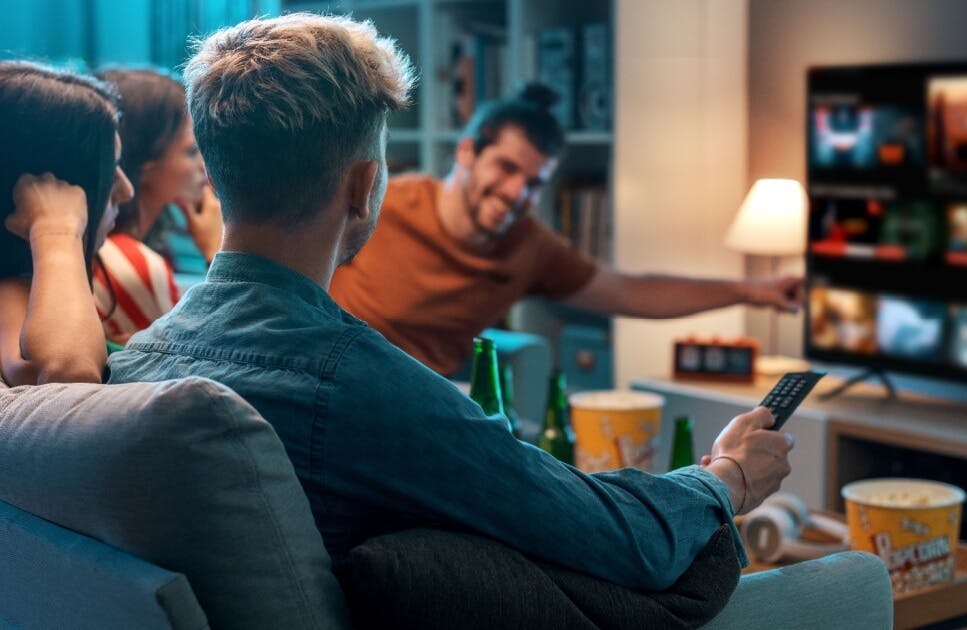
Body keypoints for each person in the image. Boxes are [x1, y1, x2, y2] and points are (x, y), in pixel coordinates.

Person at [108, 13, 793, 590]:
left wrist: (747, 288)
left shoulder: (133, 363)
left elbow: (625, 289)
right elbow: (624, 542)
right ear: (364, 186)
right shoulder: (360, 382)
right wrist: (727, 478)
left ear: (217, 170)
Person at [330, 84, 804, 376]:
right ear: (468, 152)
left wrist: (751, 290)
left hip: (422, 403)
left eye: (534, 182)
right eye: (507, 168)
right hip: (332, 372)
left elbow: (632, 293)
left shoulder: (529, 247)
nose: (518, 193)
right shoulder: (387, 200)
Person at [0, 61, 133, 385]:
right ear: (44, 190)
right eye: (109, 172)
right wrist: (56, 229)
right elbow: (67, 373)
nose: (126, 190)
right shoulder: (0, 295)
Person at [93, 68, 222, 346]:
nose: (204, 164)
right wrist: (217, 252)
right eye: (190, 152)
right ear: (145, 166)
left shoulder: (122, 250)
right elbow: (207, 355)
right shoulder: (130, 263)